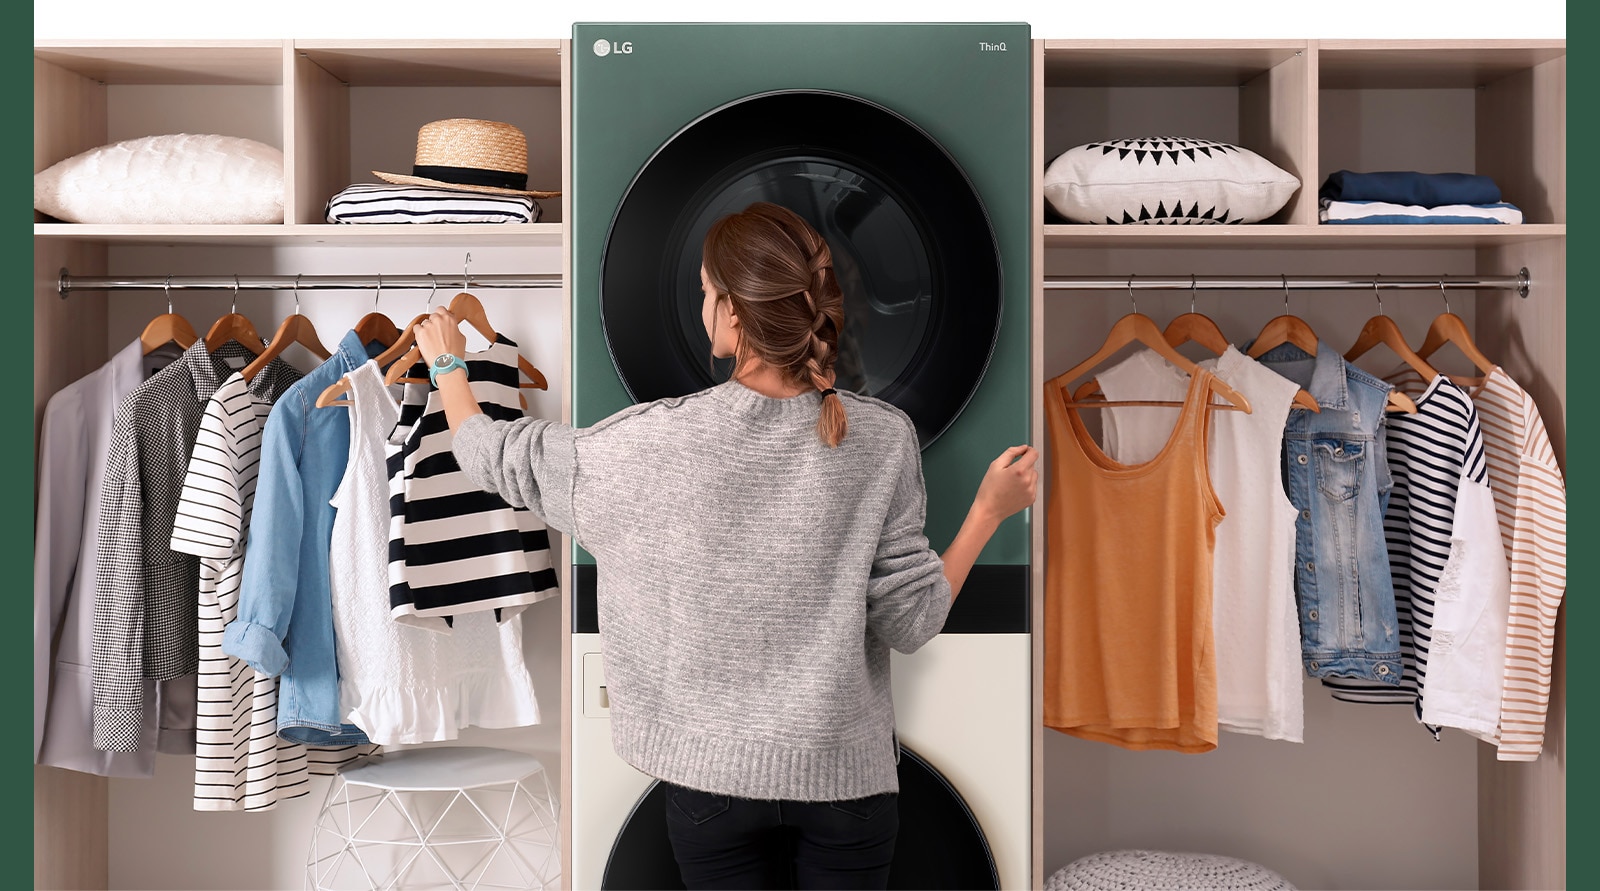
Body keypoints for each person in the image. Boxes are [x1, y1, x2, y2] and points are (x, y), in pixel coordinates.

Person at [414, 201, 1038, 890]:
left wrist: (447, 362)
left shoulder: (654, 440)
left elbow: (495, 457)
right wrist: (986, 511)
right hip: (846, 783)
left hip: (710, 786)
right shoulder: (884, 439)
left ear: (734, 313)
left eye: (708, 292)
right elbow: (910, 622)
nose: (703, 305)